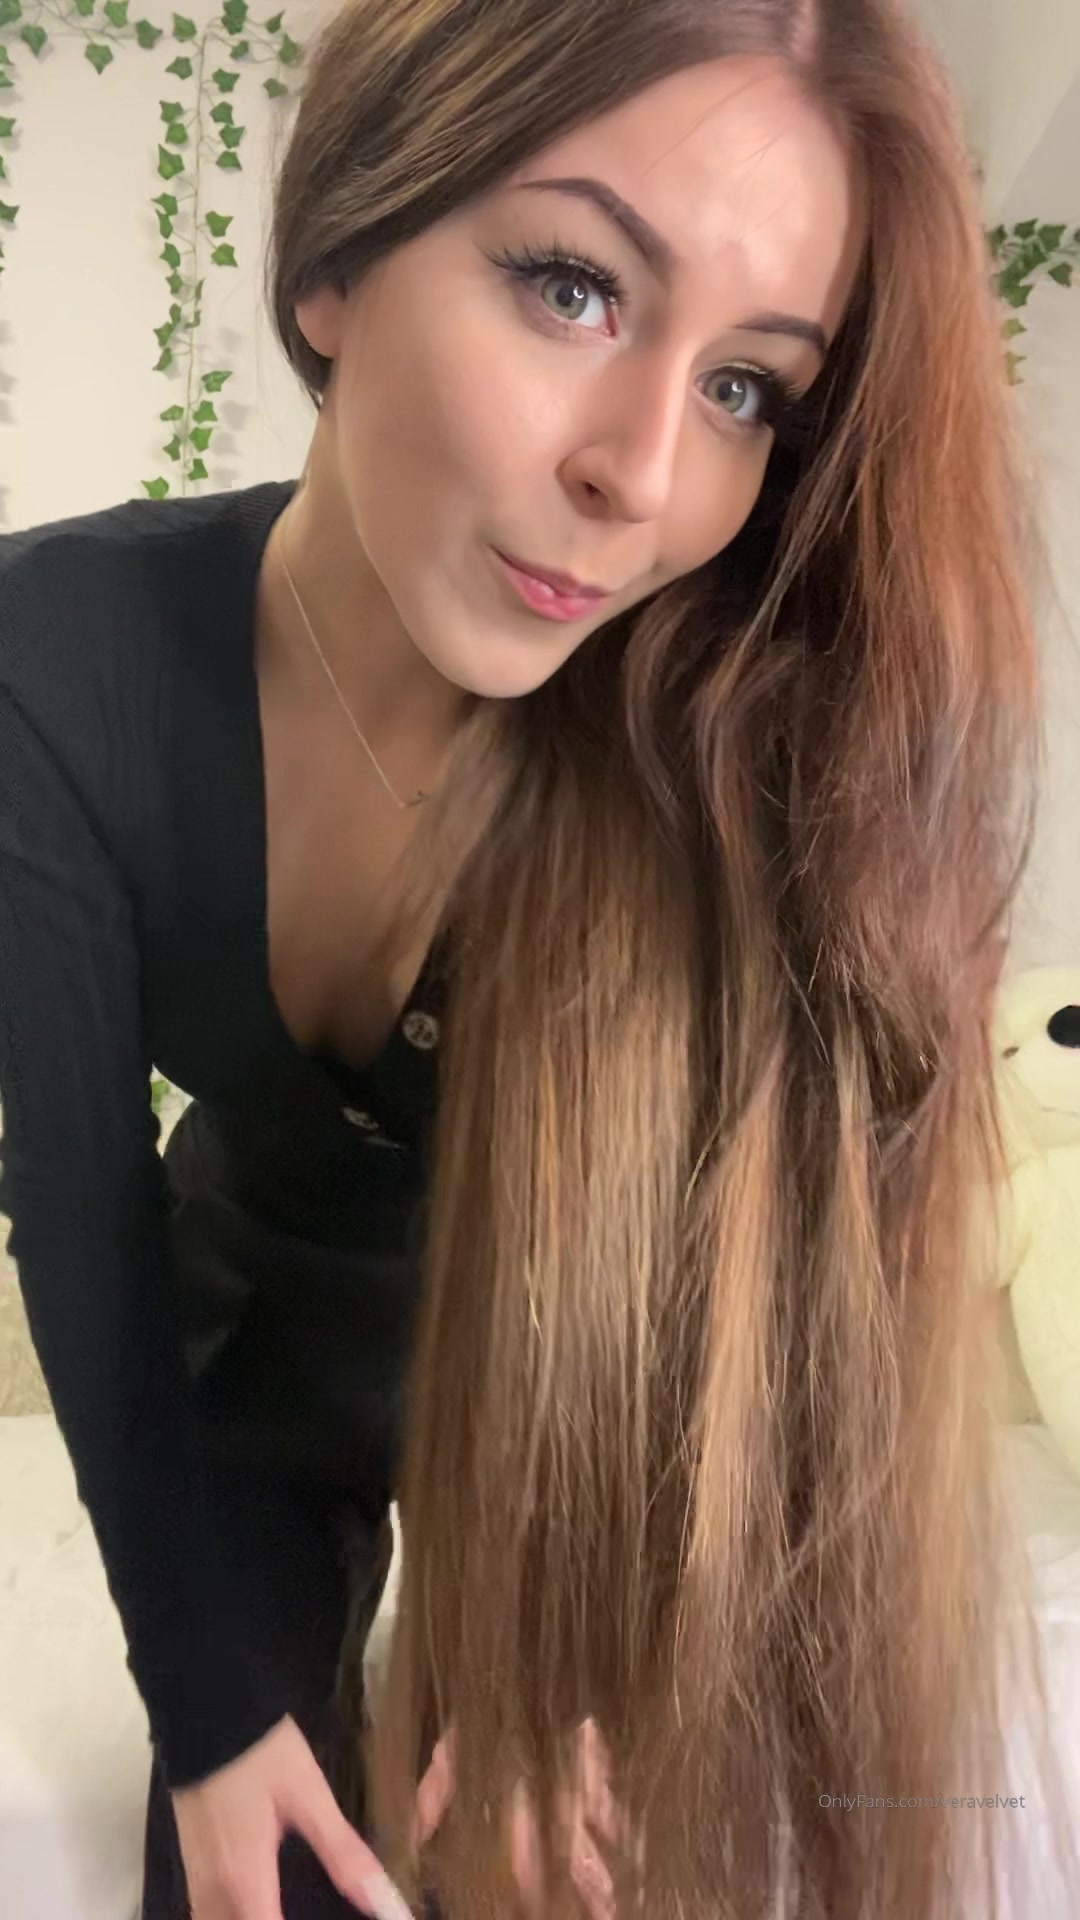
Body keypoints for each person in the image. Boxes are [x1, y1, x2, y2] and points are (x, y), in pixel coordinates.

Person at [1, 0, 1074, 1914]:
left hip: (573, 1367)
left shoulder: (701, 750)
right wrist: (211, 1708)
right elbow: (80, 1223)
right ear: (337, 260)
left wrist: (611, 1660)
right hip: (254, 1329)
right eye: (574, 287)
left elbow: (743, 1272)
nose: (644, 475)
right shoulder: (53, 668)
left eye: (745, 387)